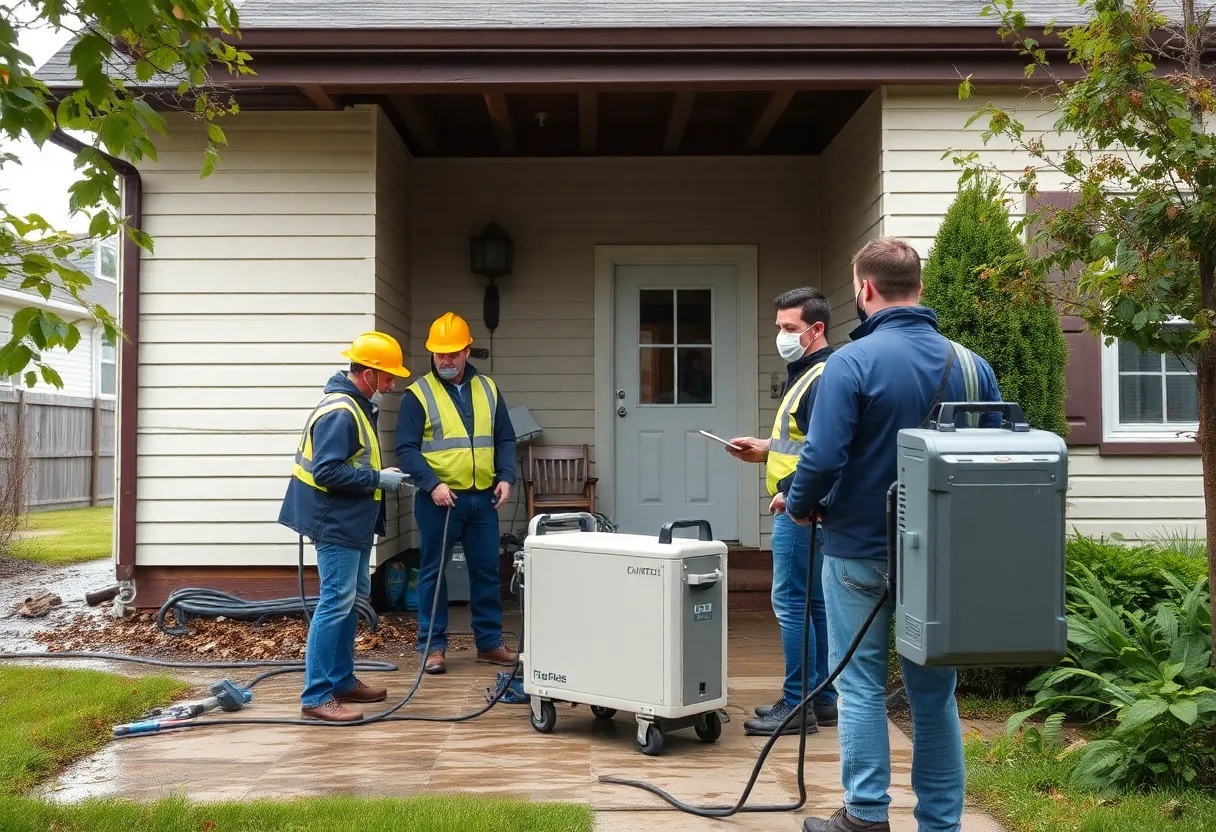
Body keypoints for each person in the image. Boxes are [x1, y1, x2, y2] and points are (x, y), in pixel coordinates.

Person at [784, 238, 1002, 832]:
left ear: (865, 291)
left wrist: (800, 506)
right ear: (920, 289)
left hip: (859, 551)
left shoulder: (849, 365)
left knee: (859, 686)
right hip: (942, 558)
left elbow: (823, 457)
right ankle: (940, 823)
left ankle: (865, 816)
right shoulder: (971, 364)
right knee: (934, 695)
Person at [278, 332, 413, 723]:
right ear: (368, 374)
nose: (390, 386)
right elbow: (328, 470)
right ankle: (317, 695)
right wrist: (376, 479)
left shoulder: (354, 405)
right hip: (334, 522)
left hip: (351, 521)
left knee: (352, 601)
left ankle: (340, 680)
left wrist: (378, 476)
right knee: (335, 603)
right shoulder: (341, 411)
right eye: (388, 379)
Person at [725, 288, 838, 737]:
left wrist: (793, 494)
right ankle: (823, 699)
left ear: (816, 329)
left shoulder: (822, 377)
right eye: (779, 328)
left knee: (792, 604)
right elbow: (805, 442)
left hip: (800, 511)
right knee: (816, 604)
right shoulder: (809, 373)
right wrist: (766, 447)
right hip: (811, 506)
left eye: (790, 329)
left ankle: (796, 704)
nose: (782, 336)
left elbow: (828, 451)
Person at [396, 312, 518, 675]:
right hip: (440, 501)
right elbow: (405, 448)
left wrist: (506, 475)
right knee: (433, 572)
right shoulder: (417, 394)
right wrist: (432, 484)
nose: (445, 361)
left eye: (452, 353)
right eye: (438, 355)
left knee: (485, 571)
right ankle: (432, 646)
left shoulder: (489, 389)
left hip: (483, 499)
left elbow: (505, 439)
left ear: (467, 351)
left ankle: (489, 643)